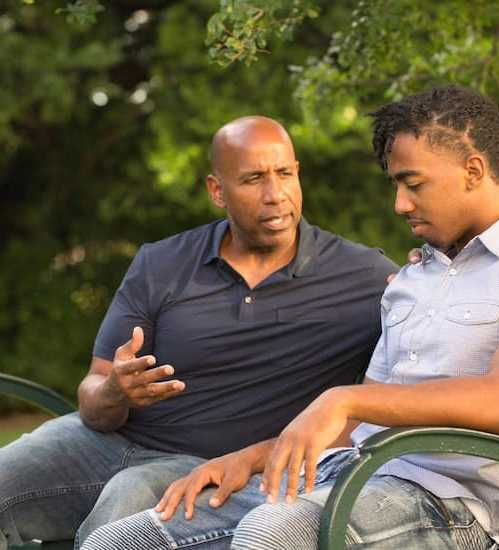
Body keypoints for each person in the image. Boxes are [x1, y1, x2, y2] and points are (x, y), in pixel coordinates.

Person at [0, 116, 397, 550]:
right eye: (253, 179)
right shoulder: (161, 263)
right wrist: (115, 390)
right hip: (102, 441)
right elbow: (93, 399)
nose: (275, 195)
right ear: (216, 191)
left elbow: (426, 339)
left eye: (284, 174)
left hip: (210, 466)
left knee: (126, 501)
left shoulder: (364, 277)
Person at [222, 86, 499, 549]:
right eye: (396, 185)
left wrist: (342, 398)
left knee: (272, 531)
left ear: (473, 170)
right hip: (355, 474)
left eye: (413, 184)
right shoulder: (416, 275)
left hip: (457, 508)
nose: (400, 204)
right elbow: (363, 420)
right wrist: (251, 458)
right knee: (137, 535)